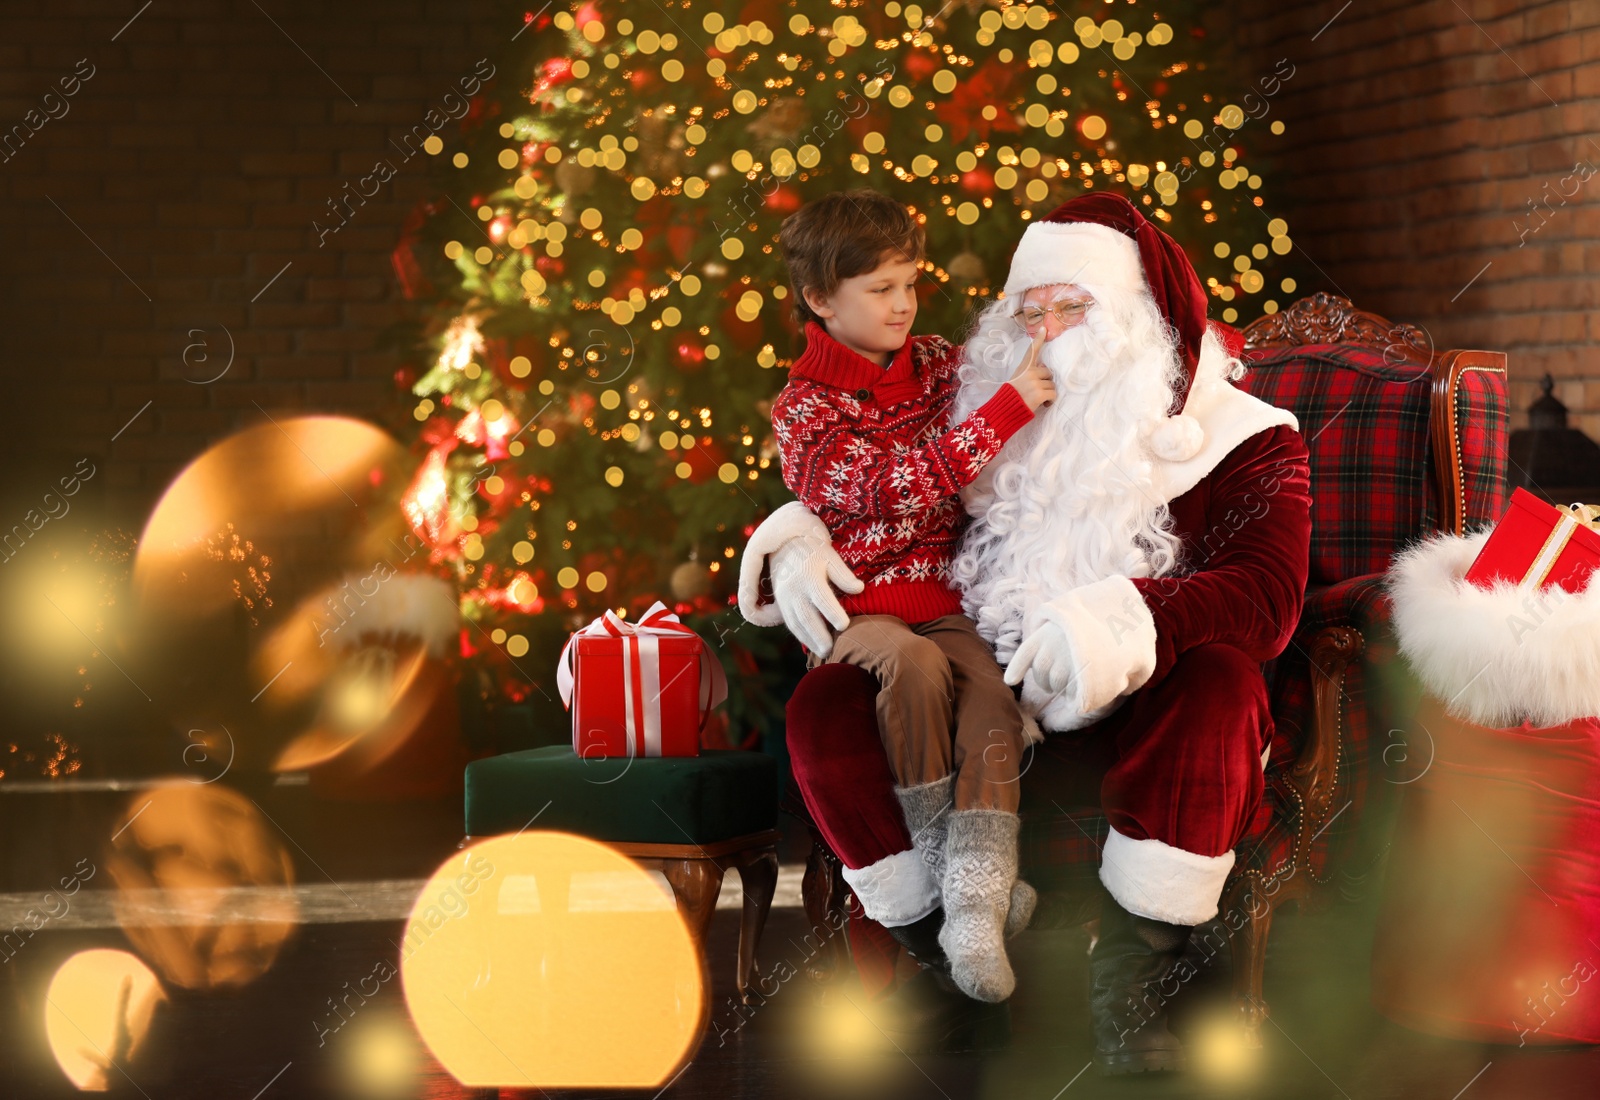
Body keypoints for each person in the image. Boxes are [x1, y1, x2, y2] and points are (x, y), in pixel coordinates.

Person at [740, 192, 1312, 1071]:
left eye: (1072, 306)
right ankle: (940, 962)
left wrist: (1125, 618)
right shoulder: (982, 408)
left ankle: (1141, 971)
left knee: (1223, 684)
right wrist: (795, 536)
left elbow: (1267, 595)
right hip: (975, 665)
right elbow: (877, 486)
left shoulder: (1242, 437)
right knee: (824, 707)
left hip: (1148, 700)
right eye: (1028, 308)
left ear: (1137, 318)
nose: (1047, 327)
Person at [765, 189, 1056, 1003]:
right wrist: (1002, 415)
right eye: (880, 289)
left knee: (993, 698)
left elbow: (1002, 362)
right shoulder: (805, 410)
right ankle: (945, 879)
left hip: (944, 596)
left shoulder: (932, 363)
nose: (903, 304)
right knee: (918, 669)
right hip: (859, 614)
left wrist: (1049, 329)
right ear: (821, 301)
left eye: (910, 283)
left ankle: (977, 890)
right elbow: (894, 486)